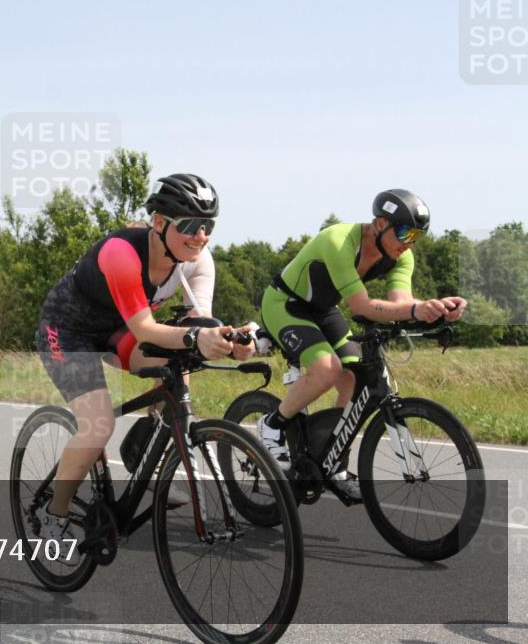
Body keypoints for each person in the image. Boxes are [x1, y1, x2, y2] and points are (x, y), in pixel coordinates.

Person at [36, 173, 256, 564]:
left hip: (119, 328)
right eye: (190, 225)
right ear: (159, 223)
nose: (201, 235)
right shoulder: (122, 252)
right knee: (98, 424)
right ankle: (53, 513)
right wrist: (195, 339)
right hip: (69, 331)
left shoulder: (198, 261)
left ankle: (152, 447)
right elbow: (146, 328)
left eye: (208, 226)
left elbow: (197, 323)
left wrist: (227, 339)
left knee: (179, 362)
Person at [256, 189, 467, 499]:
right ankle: (271, 424)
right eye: (405, 232)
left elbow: (402, 303)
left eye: (417, 236)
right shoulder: (339, 240)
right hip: (285, 303)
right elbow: (362, 306)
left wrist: (435, 310)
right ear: (380, 223)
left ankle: (332, 458)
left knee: (355, 377)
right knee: (327, 369)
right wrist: (414, 310)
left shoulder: (401, 256)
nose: (410, 242)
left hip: (324, 309)